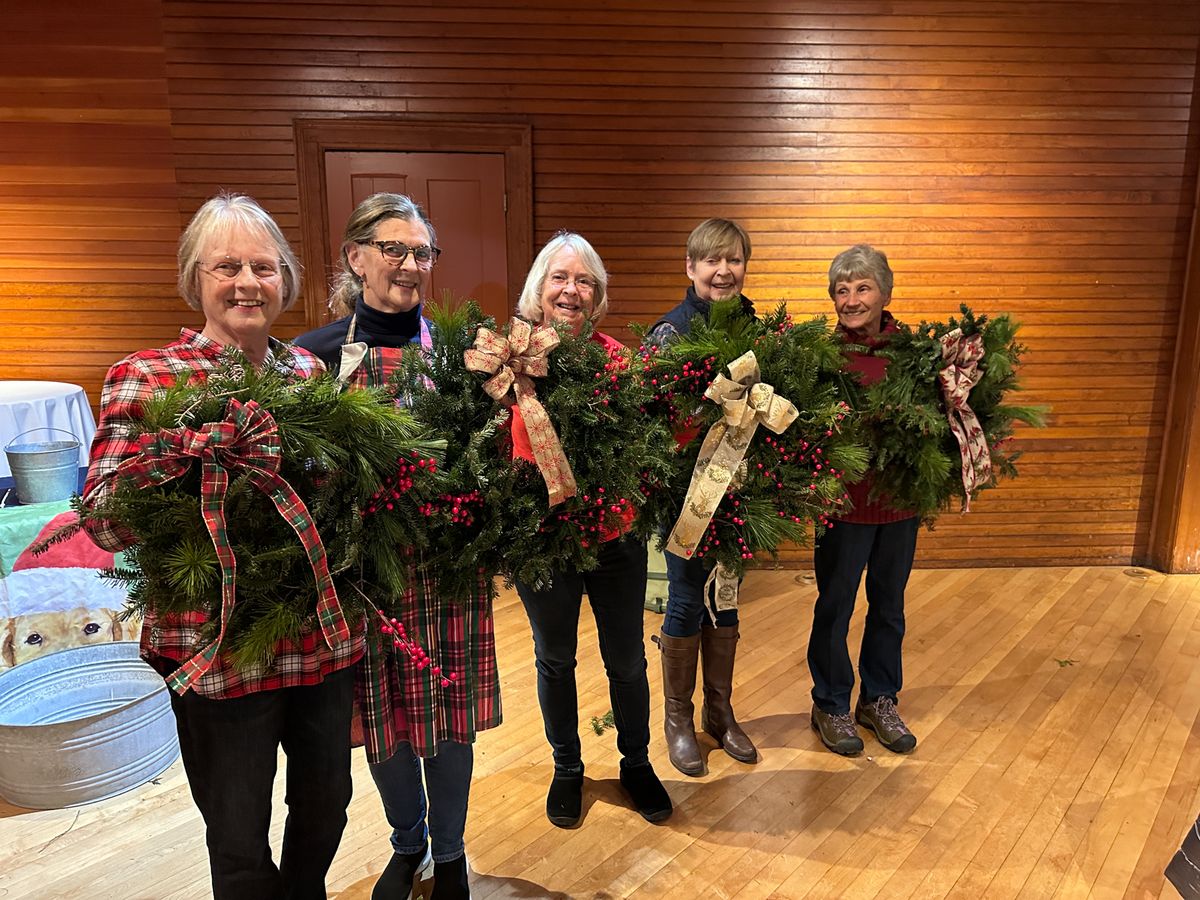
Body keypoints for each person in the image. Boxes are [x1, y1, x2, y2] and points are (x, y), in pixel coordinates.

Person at [82, 192, 363, 899]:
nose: (247, 282)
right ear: (195, 278)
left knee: (327, 808)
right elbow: (103, 519)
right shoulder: (147, 377)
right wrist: (183, 464)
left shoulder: (308, 375)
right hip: (216, 649)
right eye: (227, 266)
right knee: (238, 839)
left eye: (264, 267)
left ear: (285, 280)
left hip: (316, 641)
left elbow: (338, 499)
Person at [295, 192, 499, 900]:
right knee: (382, 718)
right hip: (362, 578)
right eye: (394, 250)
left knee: (448, 717)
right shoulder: (312, 358)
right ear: (356, 258)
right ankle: (406, 843)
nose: (410, 265)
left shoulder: (463, 357)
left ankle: (449, 855)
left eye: (422, 253)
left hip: (448, 572)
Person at [511, 232, 673, 828]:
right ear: (539, 289)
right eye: (559, 278)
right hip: (545, 544)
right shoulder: (510, 361)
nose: (571, 290)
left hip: (616, 540)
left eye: (584, 281)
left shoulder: (619, 362)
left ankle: (636, 763)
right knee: (554, 658)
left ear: (598, 294)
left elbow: (652, 442)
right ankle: (567, 768)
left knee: (627, 659)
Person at [645, 218, 759, 777]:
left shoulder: (760, 329)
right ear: (690, 268)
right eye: (711, 261)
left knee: (729, 596)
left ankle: (720, 709)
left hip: (742, 492)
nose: (723, 271)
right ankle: (677, 718)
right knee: (688, 600)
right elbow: (650, 418)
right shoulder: (671, 333)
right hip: (685, 496)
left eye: (733, 259)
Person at [808, 243, 919, 756]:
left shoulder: (914, 355)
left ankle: (879, 699)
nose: (851, 299)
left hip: (899, 502)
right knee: (835, 606)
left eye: (862, 287)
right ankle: (830, 702)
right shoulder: (821, 356)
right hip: (841, 505)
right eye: (841, 290)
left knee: (889, 605)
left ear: (885, 293)